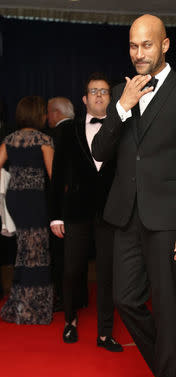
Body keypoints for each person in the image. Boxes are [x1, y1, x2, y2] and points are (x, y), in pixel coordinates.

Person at [92, 15, 176, 377]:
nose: (138, 53)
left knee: (164, 306)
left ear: (164, 45)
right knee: (125, 299)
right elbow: (101, 151)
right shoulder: (123, 94)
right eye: (132, 45)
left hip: (167, 220)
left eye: (146, 45)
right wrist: (121, 107)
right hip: (126, 215)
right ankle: (171, 368)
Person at [50, 73, 122, 351]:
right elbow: (57, 176)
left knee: (107, 273)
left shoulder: (120, 129)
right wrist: (55, 215)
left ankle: (105, 333)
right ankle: (70, 321)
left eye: (104, 91)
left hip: (110, 212)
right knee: (72, 269)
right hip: (76, 211)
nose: (99, 95)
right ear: (84, 99)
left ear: (111, 97)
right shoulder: (67, 131)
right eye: (93, 91)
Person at [0, 96, 54, 324]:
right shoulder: (44, 140)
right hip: (36, 199)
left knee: (23, 249)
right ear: (38, 115)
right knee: (38, 251)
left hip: (15, 199)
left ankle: (19, 306)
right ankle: (34, 310)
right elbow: (54, 175)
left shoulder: (9, 139)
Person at [47, 97, 75, 312]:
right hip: (79, 200)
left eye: (49, 112)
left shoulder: (56, 135)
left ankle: (66, 300)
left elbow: (55, 175)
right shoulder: (80, 129)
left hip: (62, 202)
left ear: (56, 113)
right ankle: (77, 298)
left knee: (61, 255)